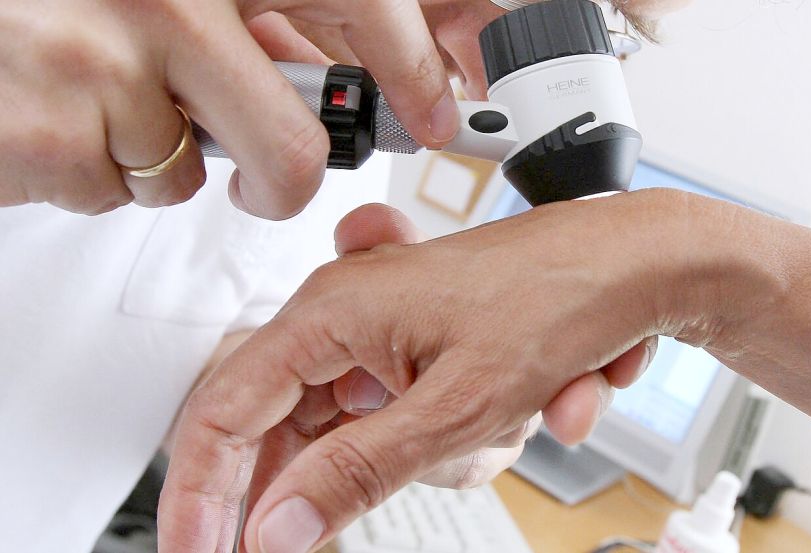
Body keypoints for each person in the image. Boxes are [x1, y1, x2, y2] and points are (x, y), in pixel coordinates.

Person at [156, 12, 811, 553]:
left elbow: (189, 339)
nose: (482, 50)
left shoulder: (331, 130)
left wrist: (387, 409)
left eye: (608, 22)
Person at [2, 1, 569, 552]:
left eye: (614, 24)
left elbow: (179, 354)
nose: (486, 68)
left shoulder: (346, 123)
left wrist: (353, 398)